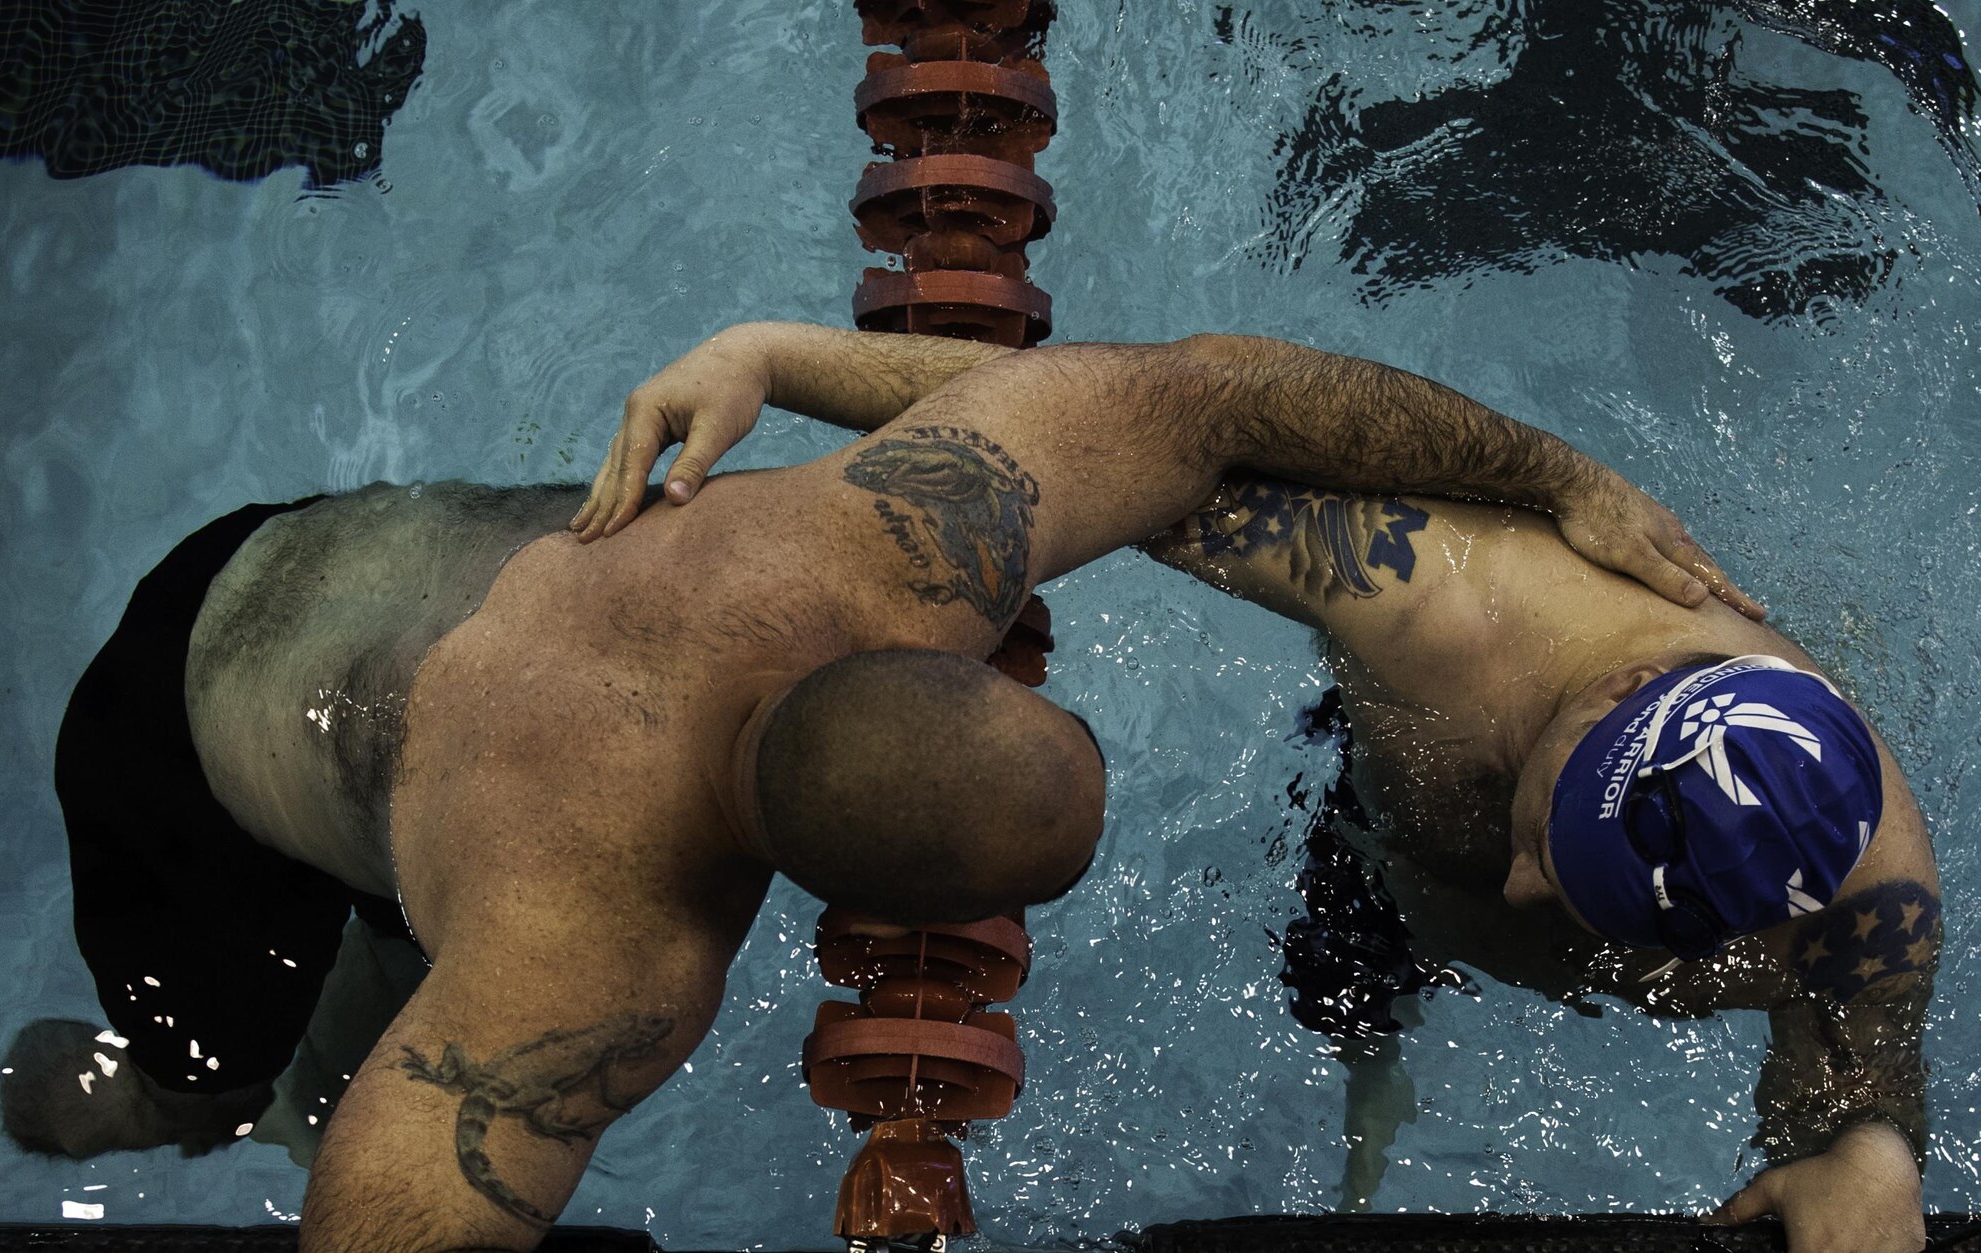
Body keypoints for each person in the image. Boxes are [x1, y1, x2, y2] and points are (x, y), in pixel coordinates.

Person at [54, 321, 1741, 1253]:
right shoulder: (596, 950)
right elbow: (386, 1211)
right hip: (180, 760)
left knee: (399, 965)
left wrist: (1564, 482)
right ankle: (103, 1096)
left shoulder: (903, 524)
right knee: (204, 1092)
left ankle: (366, 952)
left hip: (301, 562)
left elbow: (1228, 392)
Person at [588, 324, 1940, 1253]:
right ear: (1603, 697)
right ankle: (1372, 1080)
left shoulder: (1867, 872)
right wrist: (772, 360)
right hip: (1377, 846)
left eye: (1574, 876)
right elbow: (1106, 424)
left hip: (1464, 861)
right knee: (1352, 1007)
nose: (1529, 881)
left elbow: (1860, 1059)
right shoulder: (1435, 601)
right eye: (1550, 828)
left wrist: (1868, 1144)